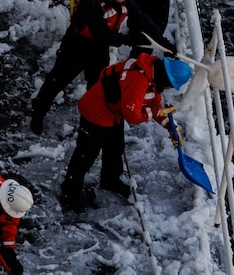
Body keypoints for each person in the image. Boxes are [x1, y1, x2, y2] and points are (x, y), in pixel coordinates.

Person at [30, 0, 176, 135]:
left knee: (99, 84)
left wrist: (165, 44)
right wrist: (130, 40)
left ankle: (93, 121)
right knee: (57, 80)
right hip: (77, 47)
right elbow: (104, 35)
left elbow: (144, 20)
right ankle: (38, 112)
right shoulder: (91, 5)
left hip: (99, 49)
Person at [59, 51, 193, 213]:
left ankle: (110, 180)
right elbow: (133, 116)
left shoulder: (152, 73)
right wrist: (157, 113)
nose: (168, 88)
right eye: (170, 85)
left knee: (115, 148)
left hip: (113, 113)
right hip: (96, 113)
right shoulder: (139, 81)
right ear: (166, 78)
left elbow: (154, 104)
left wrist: (170, 127)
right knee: (85, 156)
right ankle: (69, 193)